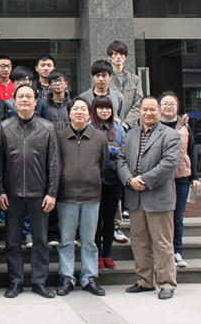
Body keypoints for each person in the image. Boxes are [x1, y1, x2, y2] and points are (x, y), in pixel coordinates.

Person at [0, 85, 60, 299]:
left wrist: (52, 192)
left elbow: (54, 162)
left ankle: (39, 281)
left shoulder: (47, 127)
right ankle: (15, 281)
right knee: (12, 241)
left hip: (39, 193)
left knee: (40, 240)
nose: (24, 100)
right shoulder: (4, 127)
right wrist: (0, 191)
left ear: (35, 102)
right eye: (20, 96)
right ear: (14, 102)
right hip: (12, 194)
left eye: (28, 97)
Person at [116, 96, 181, 300]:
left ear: (159, 112)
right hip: (135, 197)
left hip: (158, 196)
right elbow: (121, 160)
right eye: (145, 109)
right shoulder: (131, 135)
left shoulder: (170, 135)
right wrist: (129, 180)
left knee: (162, 242)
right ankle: (144, 280)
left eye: (153, 109)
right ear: (140, 112)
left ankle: (167, 283)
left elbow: (169, 163)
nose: (148, 113)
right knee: (139, 241)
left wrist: (143, 180)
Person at [55, 97, 109, 297]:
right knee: (66, 240)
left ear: (89, 114)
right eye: (75, 109)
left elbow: (103, 166)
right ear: (69, 114)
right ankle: (66, 277)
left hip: (91, 196)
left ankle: (89, 277)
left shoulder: (99, 138)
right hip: (66, 196)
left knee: (89, 240)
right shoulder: (59, 137)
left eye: (83, 109)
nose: (79, 112)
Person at [159, 91, 201, 268]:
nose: (168, 107)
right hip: (160, 179)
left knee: (177, 217)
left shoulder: (185, 127)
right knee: (162, 217)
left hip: (181, 177)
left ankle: (176, 251)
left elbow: (191, 151)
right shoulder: (153, 124)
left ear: (177, 107)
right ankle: (162, 251)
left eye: (172, 104)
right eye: (165, 103)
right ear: (160, 107)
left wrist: (194, 176)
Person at [90, 96, 125, 270]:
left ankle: (107, 254)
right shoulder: (90, 127)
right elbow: (92, 150)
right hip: (95, 179)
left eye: (108, 108)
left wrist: (105, 147)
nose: (104, 111)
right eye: (101, 108)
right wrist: (111, 149)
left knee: (110, 219)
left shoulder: (118, 128)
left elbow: (124, 150)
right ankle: (97, 255)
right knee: (96, 220)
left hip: (113, 179)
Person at [107, 40, 143, 132]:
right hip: (110, 127)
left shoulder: (135, 80)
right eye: (115, 54)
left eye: (121, 54)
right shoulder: (106, 80)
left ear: (125, 57)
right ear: (109, 57)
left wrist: (126, 124)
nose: (118, 57)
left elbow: (138, 104)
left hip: (132, 127)